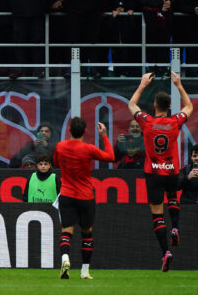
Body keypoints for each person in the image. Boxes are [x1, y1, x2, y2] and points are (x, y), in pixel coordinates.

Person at [127, 72, 193, 272]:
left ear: (155, 106)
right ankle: (175, 227)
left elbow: (131, 105)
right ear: (169, 107)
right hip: (171, 171)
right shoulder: (175, 122)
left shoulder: (146, 121)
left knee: (157, 214)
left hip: (153, 172)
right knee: (172, 196)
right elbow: (189, 107)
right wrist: (179, 85)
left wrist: (142, 85)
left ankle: (165, 252)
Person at [53, 117, 114, 280]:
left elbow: (55, 162)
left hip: (66, 195)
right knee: (87, 233)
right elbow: (110, 156)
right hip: (85, 197)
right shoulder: (88, 149)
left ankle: (65, 258)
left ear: (70, 130)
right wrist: (104, 135)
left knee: (66, 231)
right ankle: (84, 271)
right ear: (84, 132)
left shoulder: (60, 146)